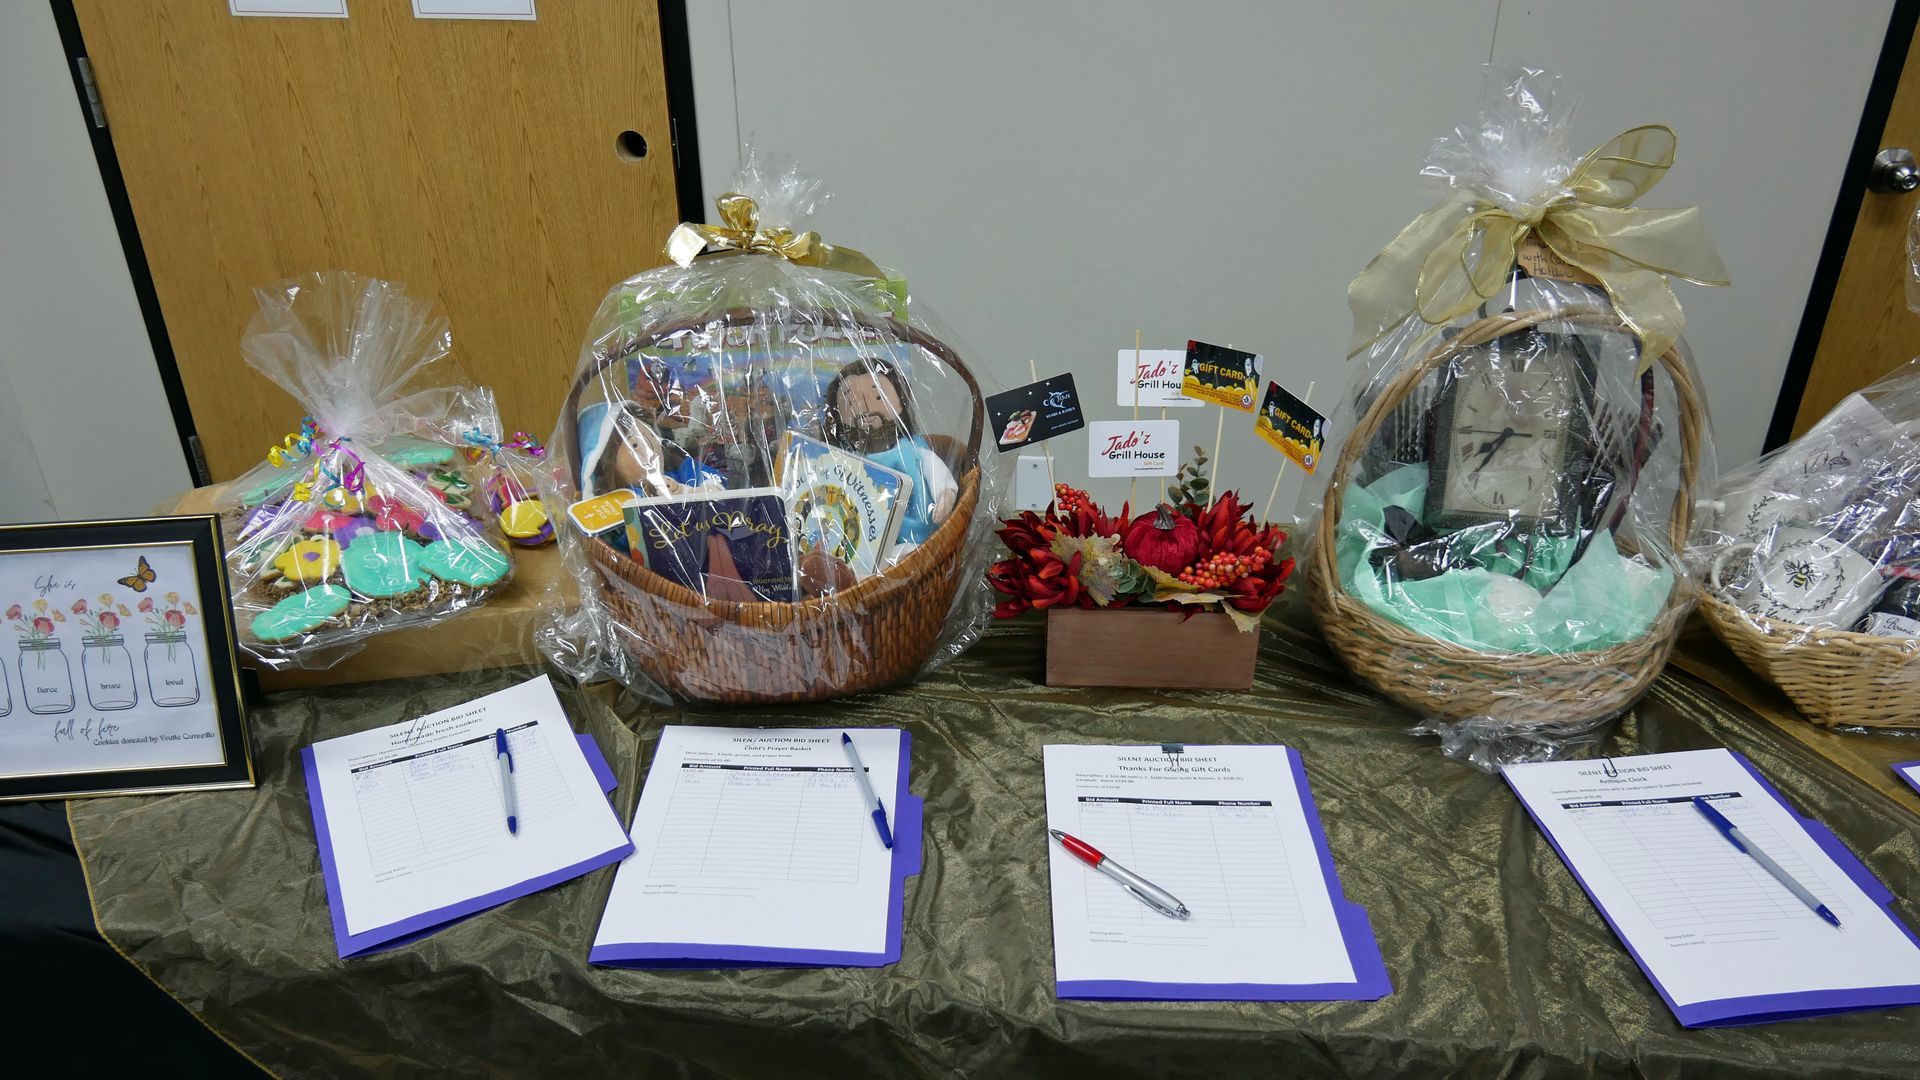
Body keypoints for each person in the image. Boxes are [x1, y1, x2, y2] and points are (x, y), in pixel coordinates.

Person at [821, 359, 958, 546]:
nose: (866, 409)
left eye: (878, 397)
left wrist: (945, 494)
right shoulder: (849, 463)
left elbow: (935, 471)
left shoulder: (911, 450)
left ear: (901, 404)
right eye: (851, 403)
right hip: (874, 543)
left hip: (923, 536)